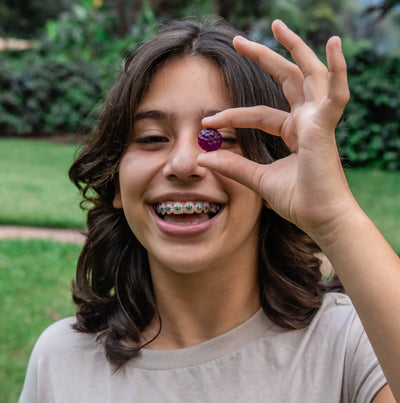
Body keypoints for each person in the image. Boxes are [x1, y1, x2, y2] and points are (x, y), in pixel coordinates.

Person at [19, 17, 400, 402]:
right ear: (115, 180)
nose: (185, 163)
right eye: (152, 138)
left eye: (222, 137)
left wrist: (334, 217)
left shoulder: (353, 342)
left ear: (270, 170)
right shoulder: (60, 361)